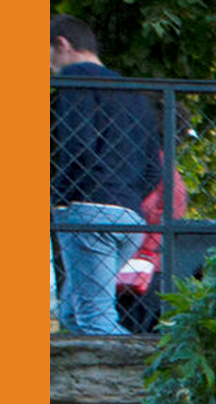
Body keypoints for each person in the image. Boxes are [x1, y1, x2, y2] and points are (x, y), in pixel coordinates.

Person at [48, 20, 164, 339]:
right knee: (72, 312)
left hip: (88, 210)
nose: (49, 67)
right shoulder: (134, 93)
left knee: (95, 319)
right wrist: (125, 195)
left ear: (62, 45)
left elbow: (77, 143)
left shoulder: (75, 80)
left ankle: (143, 379)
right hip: (129, 219)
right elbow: (155, 168)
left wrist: (58, 196)